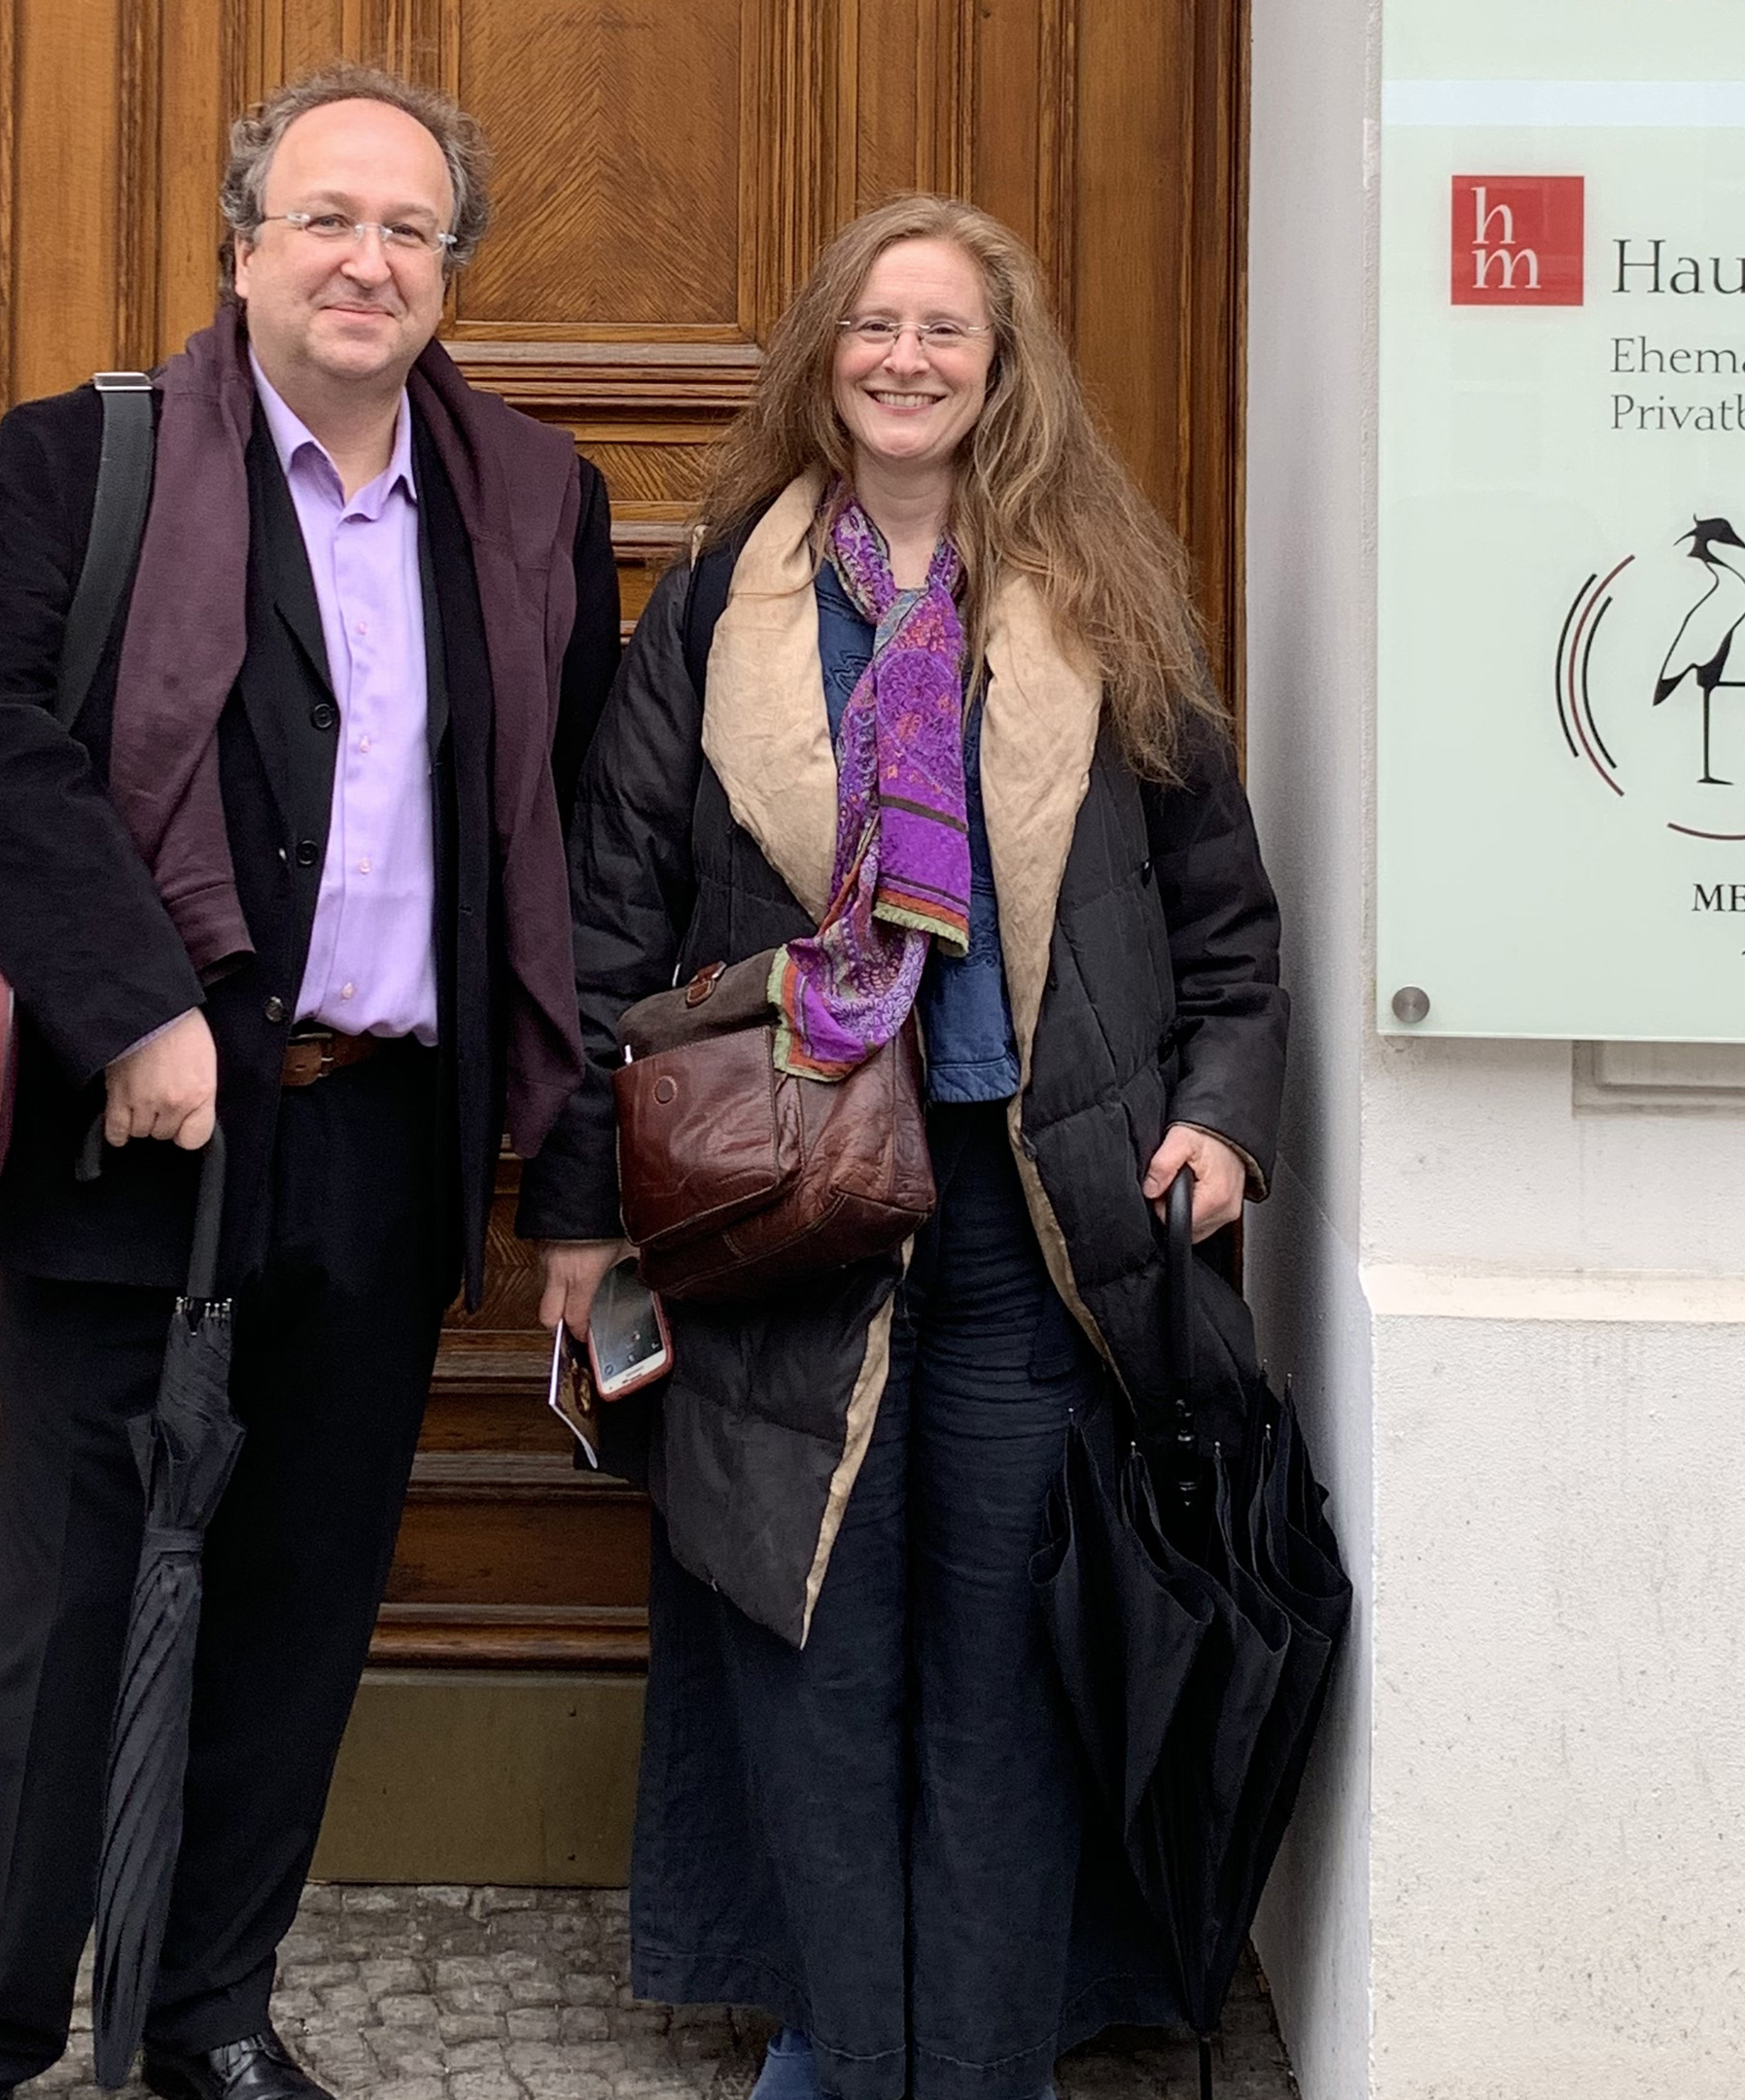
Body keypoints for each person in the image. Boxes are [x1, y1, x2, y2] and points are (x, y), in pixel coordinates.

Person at [0, 64, 619, 2100]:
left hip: (386, 1134)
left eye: (406, 228)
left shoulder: (538, 502)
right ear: (243, 251)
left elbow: (559, 844)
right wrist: (134, 1009)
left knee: (295, 1604)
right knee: (67, 1598)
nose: (365, 257)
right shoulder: (92, 460)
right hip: (147, 1127)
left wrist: (566, 1184)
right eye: (325, 218)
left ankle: (207, 2014)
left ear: (447, 274)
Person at [517, 195, 1287, 2100]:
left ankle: (990, 2056)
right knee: (815, 1666)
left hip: (1043, 1234)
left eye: (947, 330)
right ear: (822, 357)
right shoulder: (721, 601)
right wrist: (571, 1214)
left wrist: (1222, 1121)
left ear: (1000, 366)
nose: (908, 359)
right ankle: (848, 2048)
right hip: (786, 1221)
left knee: (1001, 1672)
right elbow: (606, 907)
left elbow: (1224, 921)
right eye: (875, 326)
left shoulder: (1101, 599)